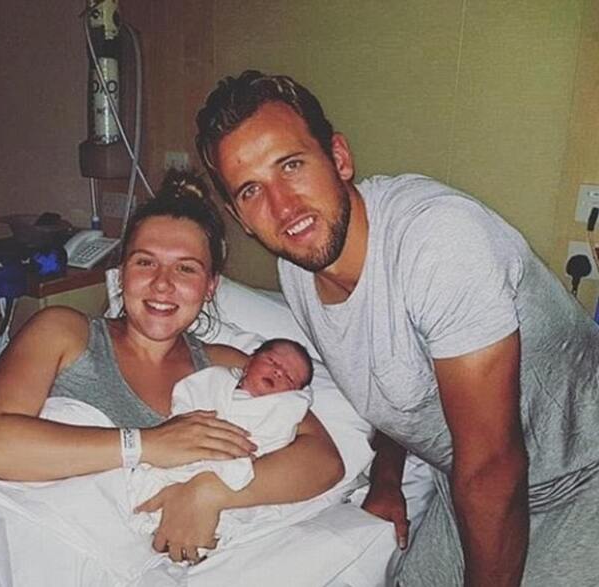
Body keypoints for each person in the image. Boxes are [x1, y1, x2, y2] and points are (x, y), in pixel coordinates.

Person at [195, 69, 599, 586]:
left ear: (339, 158)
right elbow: (390, 371)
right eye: (252, 191)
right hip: (465, 487)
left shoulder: (439, 243)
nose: (284, 206)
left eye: (291, 165)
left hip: (580, 484)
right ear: (240, 218)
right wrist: (386, 476)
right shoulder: (297, 271)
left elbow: (493, 469)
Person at [0, 168, 344, 566]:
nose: (162, 284)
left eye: (186, 268)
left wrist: (209, 493)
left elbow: (324, 460)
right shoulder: (63, 332)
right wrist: (148, 444)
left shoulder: (227, 367)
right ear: (121, 274)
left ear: (210, 286)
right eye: (145, 262)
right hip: (22, 537)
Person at [129, 337, 315, 541]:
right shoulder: (214, 380)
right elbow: (184, 403)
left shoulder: (279, 414)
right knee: (150, 480)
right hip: (184, 452)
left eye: (289, 378)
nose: (278, 372)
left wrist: (241, 462)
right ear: (250, 361)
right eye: (272, 361)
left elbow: (271, 446)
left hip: (227, 478)